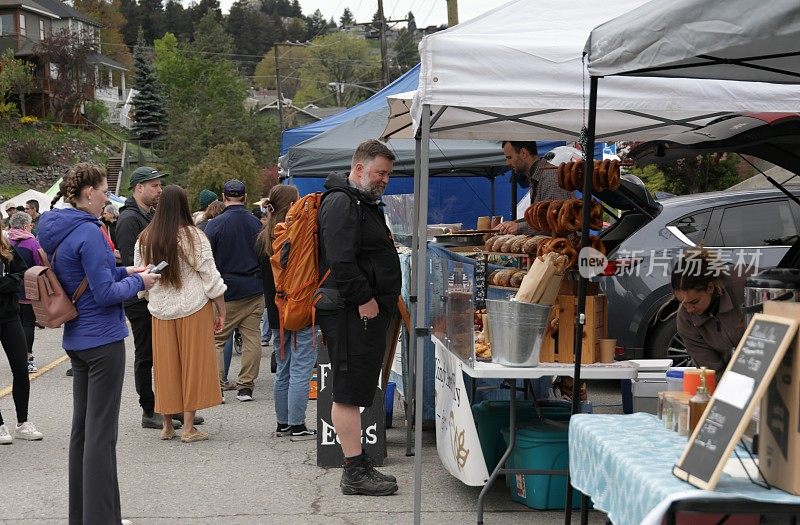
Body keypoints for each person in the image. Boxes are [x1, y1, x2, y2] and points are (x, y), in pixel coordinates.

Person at [38, 163, 159, 523]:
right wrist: (141, 284)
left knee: (84, 431)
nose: (108, 197)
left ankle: (84, 515)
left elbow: (91, 275)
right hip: (102, 338)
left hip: (78, 338)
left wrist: (130, 271)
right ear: (88, 192)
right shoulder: (89, 232)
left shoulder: (60, 228)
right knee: (101, 435)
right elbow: (105, 293)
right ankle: (101, 517)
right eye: (105, 189)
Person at [317, 139, 401, 496]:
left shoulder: (360, 201)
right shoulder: (341, 202)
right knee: (347, 392)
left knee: (355, 388)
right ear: (359, 167)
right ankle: (353, 471)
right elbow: (341, 259)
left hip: (360, 311)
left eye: (387, 175)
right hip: (351, 311)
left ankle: (358, 461)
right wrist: (365, 298)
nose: (385, 180)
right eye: (380, 173)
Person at [135, 185, 226, 443]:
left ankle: (166, 425)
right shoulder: (193, 236)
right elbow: (210, 275)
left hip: (161, 310)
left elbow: (142, 276)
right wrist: (221, 308)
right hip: (193, 307)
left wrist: (148, 297)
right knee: (193, 365)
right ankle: (188, 427)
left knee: (165, 368)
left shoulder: (145, 237)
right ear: (184, 205)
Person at [117, 166, 195, 430]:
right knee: (146, 355)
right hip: (139, 298)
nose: (159, 190)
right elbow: (131, 261)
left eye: (161, 186)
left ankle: (168, 408)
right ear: (139, 188)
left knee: (163, 355)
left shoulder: (148, 215)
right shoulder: (129, 219)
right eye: (154, 186)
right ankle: (149, 409)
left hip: (155, 295)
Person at [257, 185, 316, 440]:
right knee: (301, 367)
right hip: (299, 307)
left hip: (274, 310)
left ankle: (283, 423)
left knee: (283, 368)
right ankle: (297, 424)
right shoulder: (297, 235)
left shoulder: (263, 237)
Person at [205, 179, 264, 402]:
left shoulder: (215, 224)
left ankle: (218, 386)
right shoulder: (256, 223)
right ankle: (246, 387)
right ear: (245, 197)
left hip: (225, 290)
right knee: (252, 338)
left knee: (218, 339)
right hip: (253, 287)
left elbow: (208, 260)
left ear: (223, 197)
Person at [0, 218, 43, 445]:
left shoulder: (7, 248)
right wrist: (7, 283)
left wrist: (6, 283)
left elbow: (21, 274)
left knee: (20, 367)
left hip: (9, 316)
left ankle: (22, 422)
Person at [672, 248, 747, 376]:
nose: (689, 309)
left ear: (710, 287)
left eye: (694, 302)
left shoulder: (746, 284)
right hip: (731, 381)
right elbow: (712, 371)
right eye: (683, 304)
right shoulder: (686, 321)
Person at [495, 141, 572, 235]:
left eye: (509, 158)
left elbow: (554, 221)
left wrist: (518, 227)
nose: (507, 163)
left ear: (523, 153)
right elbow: (540, 217)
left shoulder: (550, 177)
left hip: (562, 246)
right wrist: (514, 224)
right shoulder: (537, 176)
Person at [7, 211, 42, 373]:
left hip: (10, 288)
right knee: (28, 323)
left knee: (16, 324)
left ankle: (18, 358)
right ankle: (28, 357)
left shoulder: (6, 241)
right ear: (25, 225)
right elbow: (39, 264)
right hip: (29, 288)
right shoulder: (32, 242)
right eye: (29, 225)